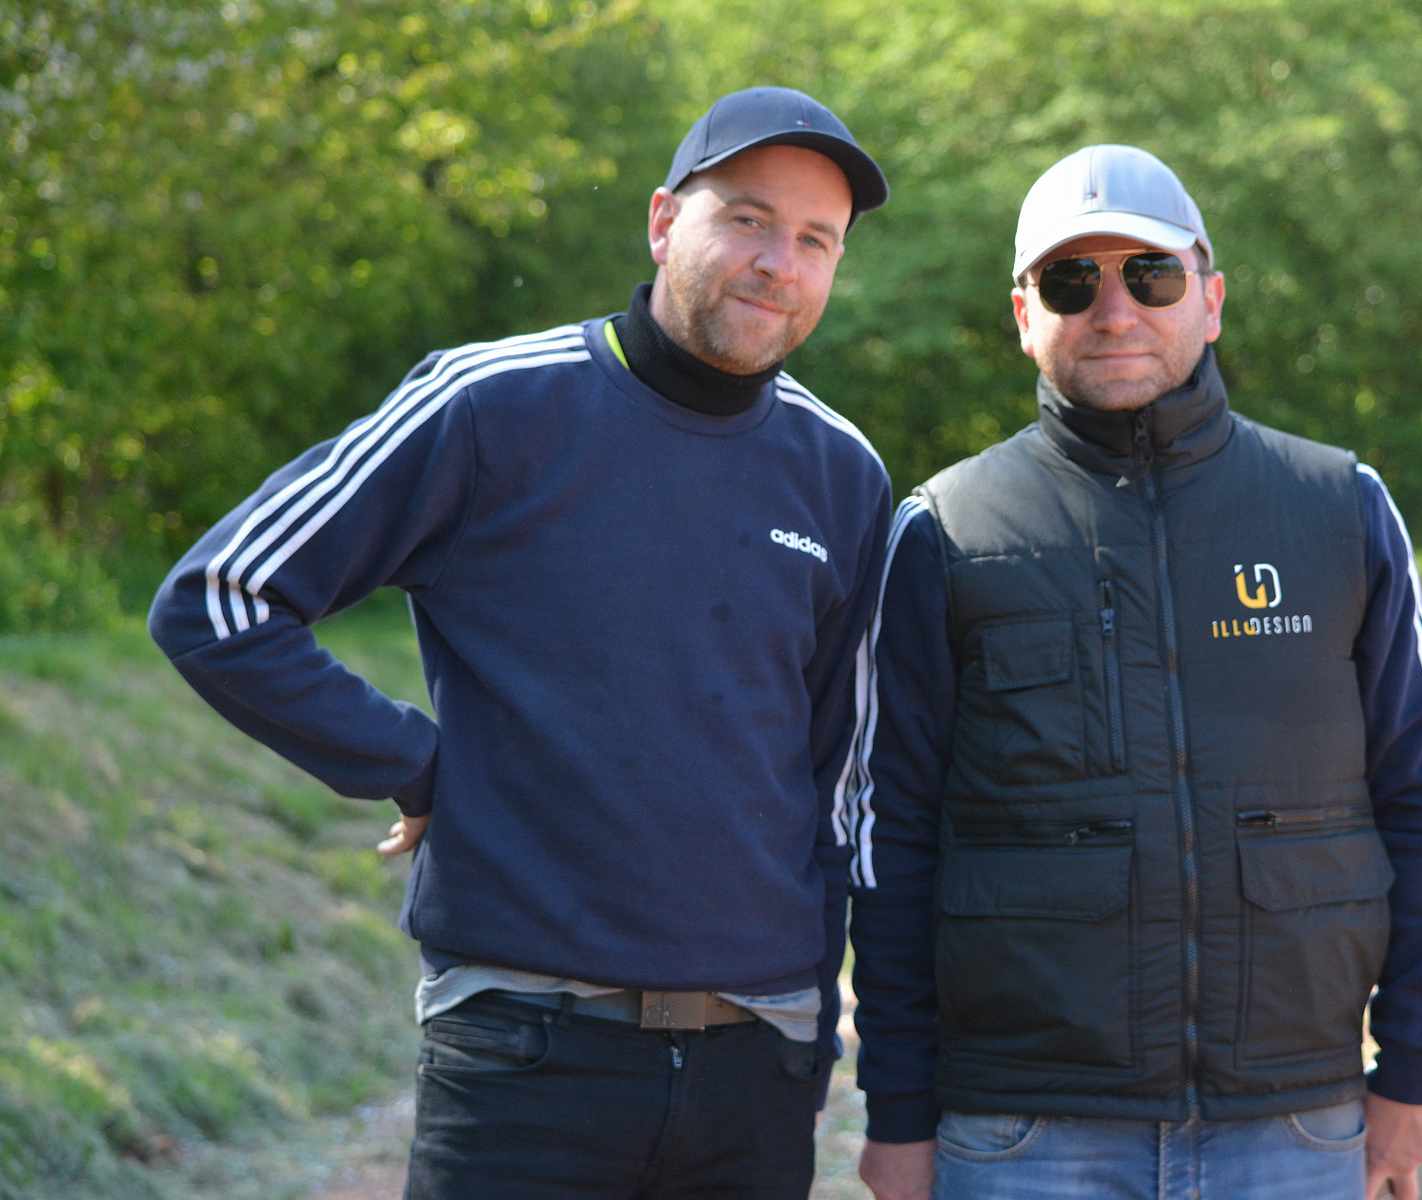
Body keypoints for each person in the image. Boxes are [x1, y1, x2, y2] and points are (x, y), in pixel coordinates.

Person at [147, 86, 892, 1198]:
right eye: (746, 218)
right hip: (524, 1060)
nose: (777, 262)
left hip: (755, 1076)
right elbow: (219, 599)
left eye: (814, 239)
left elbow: (845, 784)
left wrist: (814, 1044)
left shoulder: (845, 474)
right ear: (662, 222)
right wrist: (417, 762)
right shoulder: (492, 405)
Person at [847, 144, 1422, 1200]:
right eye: (1071, 281)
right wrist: (898, 1111)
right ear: (1024, 314)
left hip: (1295, 1121)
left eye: (1150, 274)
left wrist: (1417, 1068)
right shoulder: (945, 531)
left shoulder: (1339, 506)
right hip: (1025, 1132)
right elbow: (889, 832)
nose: (1114, 310)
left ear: (1210, 300)